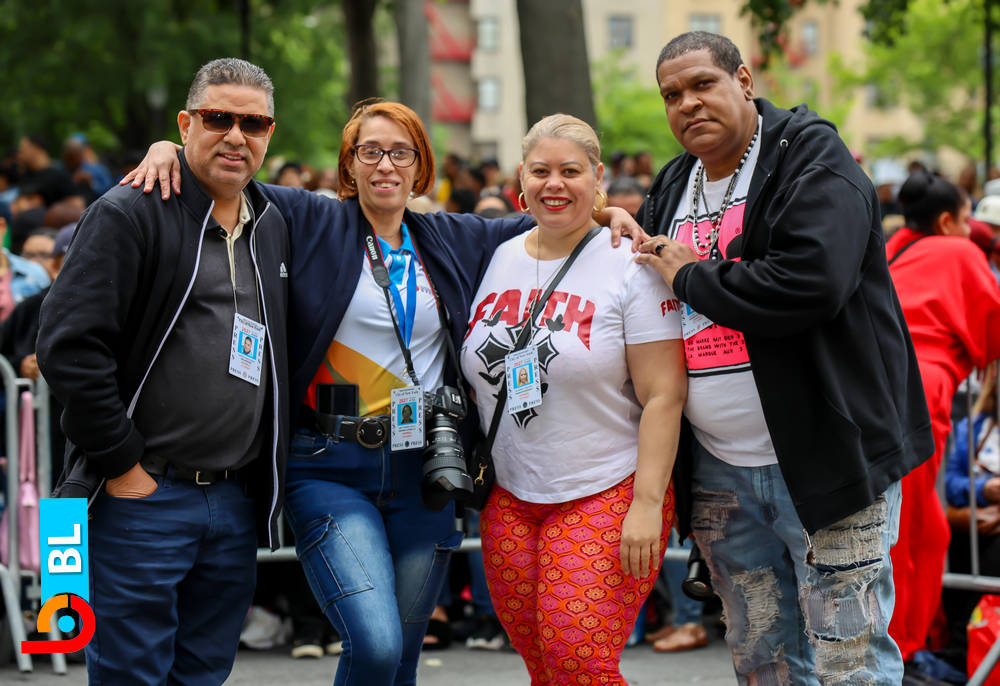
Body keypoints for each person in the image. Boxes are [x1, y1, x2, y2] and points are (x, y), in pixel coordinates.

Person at [126, 100, 645, 686]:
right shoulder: (313, 220)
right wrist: (170, 150)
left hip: (424, 469)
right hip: (327, 466)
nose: (385, 165)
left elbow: (556, 215)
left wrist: (609, 212)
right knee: (375, 644)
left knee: (401, 661)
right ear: (349, 164)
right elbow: (234, 175)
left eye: (401, 152)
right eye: (369, 152)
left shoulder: (452, 236)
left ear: (420, 165)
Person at [634, 32, 931, 684]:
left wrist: (691, 276)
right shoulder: (673, 182)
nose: (688, 104)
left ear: (743, 80)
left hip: (827, 461)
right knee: (763, 665)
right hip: (719, 474)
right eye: (671, 95)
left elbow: (811, 283)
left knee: (850, 664)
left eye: (703, 84)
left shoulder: (810, 156)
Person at [36, 58, 290, 685]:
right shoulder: (130, 212)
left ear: (269, 133)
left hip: (232, 501)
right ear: (185, 124)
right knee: (131, 673)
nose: (236, 135)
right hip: (143, 496)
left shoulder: (272, 222)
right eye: (218, 118)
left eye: (254, 123)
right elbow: (69, 349)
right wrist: (124, 468)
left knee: (204, 673)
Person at [462, 114, 687, 685]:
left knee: (578, 659)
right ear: (521, 178)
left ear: (598, 177)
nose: (554, 183)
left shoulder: (630, 265)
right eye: (540, 171)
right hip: (509, 494)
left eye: (571, 171)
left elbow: (664, 394)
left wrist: (646, 504)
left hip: (606, 489)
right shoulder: (496, 254)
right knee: (542, 664)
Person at [883, 170, 1000, 674]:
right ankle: (899, 655)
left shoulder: (892, 248)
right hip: (920, 386)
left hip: (885, 384)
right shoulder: (957, 250)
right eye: (969, 219)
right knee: (907, 528)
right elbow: (993, 325)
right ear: (949, 220)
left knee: (927, 529)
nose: (972, 230)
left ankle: (911, 644)